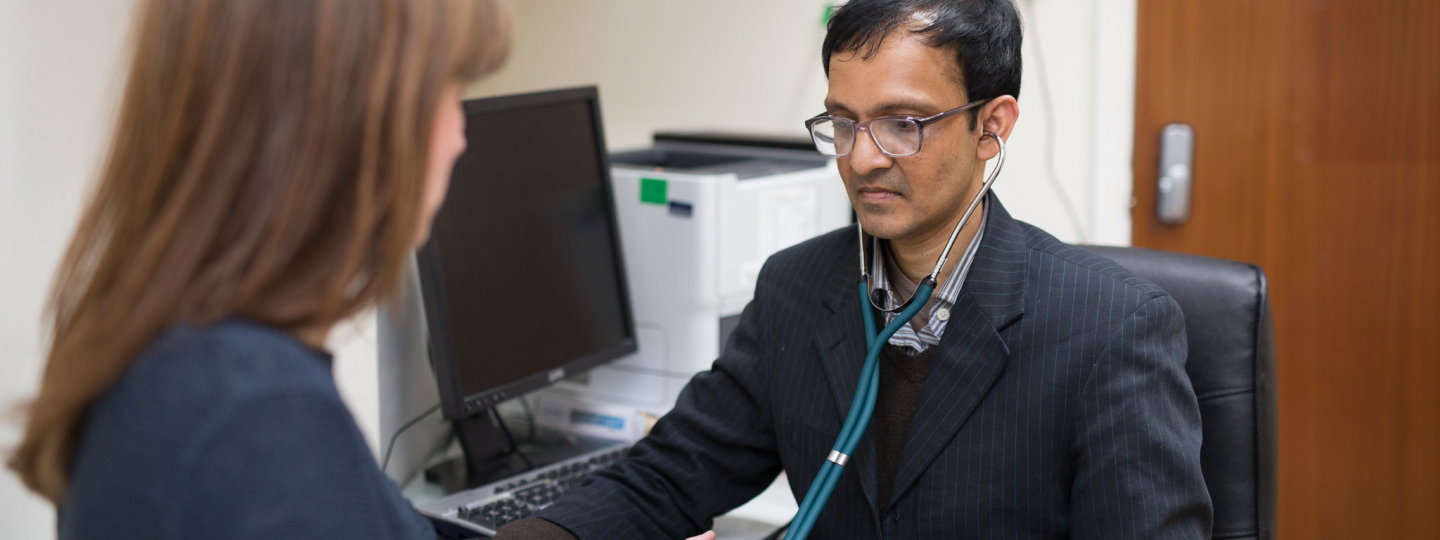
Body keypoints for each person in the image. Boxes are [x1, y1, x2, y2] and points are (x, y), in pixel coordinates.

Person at [496, 1, 1212, 539]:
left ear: (992, 127)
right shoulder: (797, 290)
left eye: (905, 123)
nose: (863, 157)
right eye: (844, 122)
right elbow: (668, 475)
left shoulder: (1112, 330)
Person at [7, 1, 511, 538]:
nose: (460, 135)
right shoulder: (256, 416)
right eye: (449, 88)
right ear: (351, 111)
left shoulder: (176, 354)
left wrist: (607, 500)